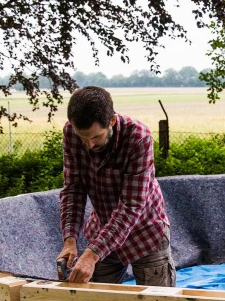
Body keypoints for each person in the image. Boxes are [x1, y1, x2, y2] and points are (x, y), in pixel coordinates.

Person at [57, 86, 175, 288]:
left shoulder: (138, 138)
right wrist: (69, 240)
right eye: (82, 137)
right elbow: (73, 190)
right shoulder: (71, 132)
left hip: (146, 232)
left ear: (111, 120)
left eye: (96, 137)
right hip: (103, 230)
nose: (89, 145)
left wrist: (92, 254)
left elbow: (130, 206)